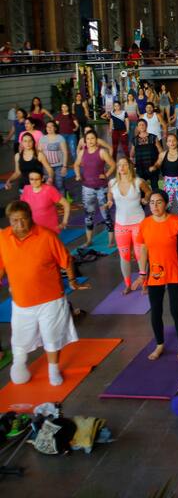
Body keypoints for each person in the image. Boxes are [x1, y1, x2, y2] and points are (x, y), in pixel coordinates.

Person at [0, 201, 88, 386]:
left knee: (52, 336)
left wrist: (72, 281)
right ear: (9, 220)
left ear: (30, 218)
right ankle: (19, 364)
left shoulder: (46, 236)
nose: (19, 224)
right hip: (22, 302)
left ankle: (53, 370)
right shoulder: (3, 238)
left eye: (23, 219)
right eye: (15, 220)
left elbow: (66, 260)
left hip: (51, 299)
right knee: (20, 338)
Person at [132, 191, 178, 361]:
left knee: (176, 311)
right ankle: (159, 344)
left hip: (175, 272)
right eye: (152, 202)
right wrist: (142, 274)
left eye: (159, 202)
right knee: (156, 311)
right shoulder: (145, 224)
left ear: (166, 204)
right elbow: (143, 250)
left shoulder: (177, 222)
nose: (154, 206)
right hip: (155, 273)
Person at [108, 159, 152, 293]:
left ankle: (145, 283)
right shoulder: (112, 183)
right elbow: (110, 193)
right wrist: (109, 200)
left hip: (138, 223)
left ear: (130, 166)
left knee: (140, 255)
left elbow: (148, 191)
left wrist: (146, 198)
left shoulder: (138, 182)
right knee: (124, 256)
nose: (121, 167)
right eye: (119, 165)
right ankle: (127, 284)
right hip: (121, 225)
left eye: (125, 165)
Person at [74, 131, 116, 247]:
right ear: (85, 141)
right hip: (87, 188)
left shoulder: (102, 152)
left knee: (105, 214)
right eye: (88, 139)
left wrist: (106, 175)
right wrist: (77, 174)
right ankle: (89, 240)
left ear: (96, 140)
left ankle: (111, 241)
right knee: (88, 215)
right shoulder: (82, 152)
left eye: (92, 138)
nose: (90, 141)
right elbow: (76, 164)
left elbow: (113, 164)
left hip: (101, 188)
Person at [150, 134, 178, 224]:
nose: (172, 143)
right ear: (167, 143)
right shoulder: (163, 154)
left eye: (174, 140)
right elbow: (158, 164)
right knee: (166, 206)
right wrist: (154, 167)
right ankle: (166, 225)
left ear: (177, 142)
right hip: (168, 183)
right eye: (169, 141)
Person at [38, 121, 69, 195]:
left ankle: (62, 198)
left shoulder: (60, 138)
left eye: (51, 126)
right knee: (49, 184)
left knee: (59, 184)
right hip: (47, 166)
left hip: (59, 166)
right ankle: (52, 200)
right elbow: (39, 152)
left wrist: (64, 166)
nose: (49, 128)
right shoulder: (42, 138)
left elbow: (65, 152)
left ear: (55, 128)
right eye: (47, 126)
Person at [131, 119, 162, 190]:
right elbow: (131, 155)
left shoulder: (153, 137)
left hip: (152, 167)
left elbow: (161, 152)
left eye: (143, 125)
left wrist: (157, 164)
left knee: (155, 187)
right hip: (140, 168)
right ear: (137, 127)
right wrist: (133, 165)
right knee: (142, 189)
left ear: (146, 126)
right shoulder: (134, 140)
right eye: (140, 125)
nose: (141, 126)